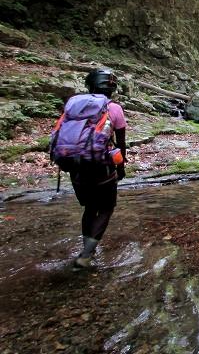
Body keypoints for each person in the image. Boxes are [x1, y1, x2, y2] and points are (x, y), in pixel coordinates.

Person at [71, 68, 127, 269]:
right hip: (102, 167)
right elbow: (120, 143)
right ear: (112, 89)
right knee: (106, 208)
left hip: (75, 167)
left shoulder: (75, 104)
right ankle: (86, 255)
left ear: (90, 85)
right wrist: (120, 168)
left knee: (90, 208)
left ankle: (86, 250)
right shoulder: (115, 109)